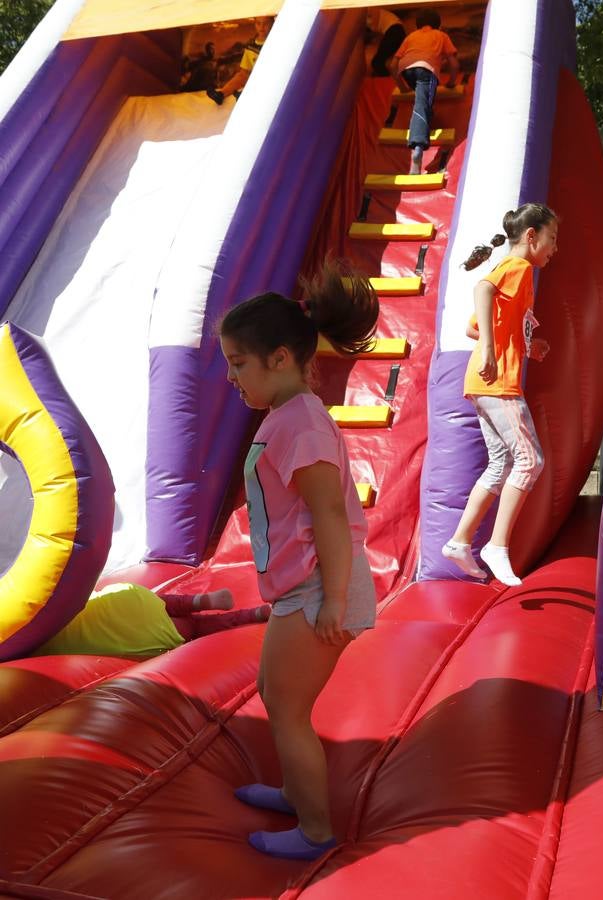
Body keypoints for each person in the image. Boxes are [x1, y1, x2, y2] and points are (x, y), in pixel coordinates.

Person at [219, 261, 379, 861]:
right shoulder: (287, 416)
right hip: (304, 586)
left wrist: (333, 599)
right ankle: (293, 789)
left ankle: (316, 831)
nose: (232, 377)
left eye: (239, 363)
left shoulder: (302, 424)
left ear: (280, 358)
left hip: (318, 586)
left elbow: (331, 517)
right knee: (273, 691)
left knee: (287, 711)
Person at [442, 203, 558, 586]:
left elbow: (475, 326)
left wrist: (527, 345)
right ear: (531, 236)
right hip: (497, 382)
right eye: (552, 239)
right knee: (531, 460)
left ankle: (460, 541)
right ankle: (496, 545)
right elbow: (481, 290)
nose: (554, 249)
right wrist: (493, 351)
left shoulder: (510, 270)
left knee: (500, 464)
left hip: (480, 384)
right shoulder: (519, 268)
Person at [36, 582, 270, 658]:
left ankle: (252, 615)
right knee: (161, 601)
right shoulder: (45, 600)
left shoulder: (30, 640)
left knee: (197, 628)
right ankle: (198, 601)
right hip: (129, 598)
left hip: (152, 634)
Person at [389, 9, 459, 174]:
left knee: (424, 102)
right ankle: (417, 148)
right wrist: (451, 82)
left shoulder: (411, 36)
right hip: (426, 71)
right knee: (421, 106)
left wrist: (402, 86)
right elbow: (454, 63)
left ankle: (428, 119)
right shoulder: (441, 35)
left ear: (418, 25)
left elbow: (393, 65)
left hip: (406, 70)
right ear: (438, 25)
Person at [207, 17, 274, 105]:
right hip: (254, 75)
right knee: (242, 75)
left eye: (266, 24)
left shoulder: (275, 42)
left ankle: (245, 95)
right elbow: (245, 70)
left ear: (272, 24)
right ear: (255, 25)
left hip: (269, 77)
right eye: (258, 23)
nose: (262, 27)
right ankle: (221, 94)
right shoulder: (251, 44)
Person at [366, 8, 407, 77]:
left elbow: (374, 27)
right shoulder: (377, 12)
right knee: (397, 62)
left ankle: (387, 80)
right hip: (398, 30)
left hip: (394, 31)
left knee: (377, 62)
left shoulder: (371, 10)